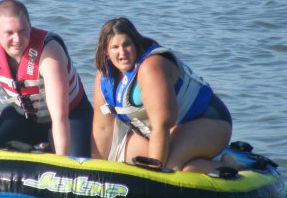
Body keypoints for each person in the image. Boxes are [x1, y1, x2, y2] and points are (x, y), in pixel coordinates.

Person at [91, 17, 242, 173]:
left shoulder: (151, 67)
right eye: (115, 47)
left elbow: (161, 125)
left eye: (127, 44)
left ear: (136, 43)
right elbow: (103, 129)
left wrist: (154, 174)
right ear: (106, 52)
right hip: (162, 132)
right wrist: (94, 171)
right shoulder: (104, 77)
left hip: (207, 121)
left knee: (172, 168)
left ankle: (230, 165)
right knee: (124, 159)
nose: (122, 52)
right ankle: (196, 162)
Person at [0, 0, 92, 157]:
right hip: (25, 115)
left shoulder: (49, 53)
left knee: (73, 157)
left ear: (30, 26)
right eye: (9, 33)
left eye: (23, 31)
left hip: (70, 116)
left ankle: (48, 147)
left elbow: (59, 115)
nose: (17, 39)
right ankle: (39, 147)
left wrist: (61, 161)